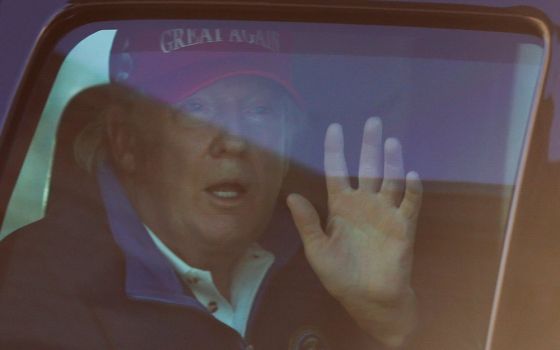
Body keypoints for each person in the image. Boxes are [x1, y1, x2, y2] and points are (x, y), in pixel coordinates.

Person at [0, 23, 422, 350]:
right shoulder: (31, 290)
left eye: (260, 109)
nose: (235, 140)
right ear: (127, 142)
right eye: (196, 108)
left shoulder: (332, 269)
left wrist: (388, 324)